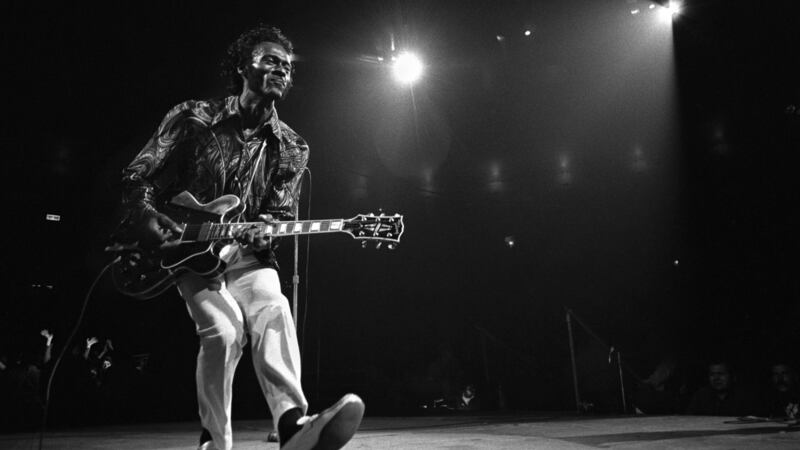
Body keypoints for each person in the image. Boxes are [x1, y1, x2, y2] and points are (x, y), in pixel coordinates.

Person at [119, 24, 364, 450]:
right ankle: (215, 440)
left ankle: (292, 423)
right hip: (189, 249)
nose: (282, 70)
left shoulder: (292, 147)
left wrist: (264, 234)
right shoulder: (193, 116)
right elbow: (138, 173)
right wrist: (145, 215)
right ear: (241, 65)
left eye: (288, 67)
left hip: (246, 255)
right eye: (271, 60)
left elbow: (278, 215)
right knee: (223, 331)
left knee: (273, 307)